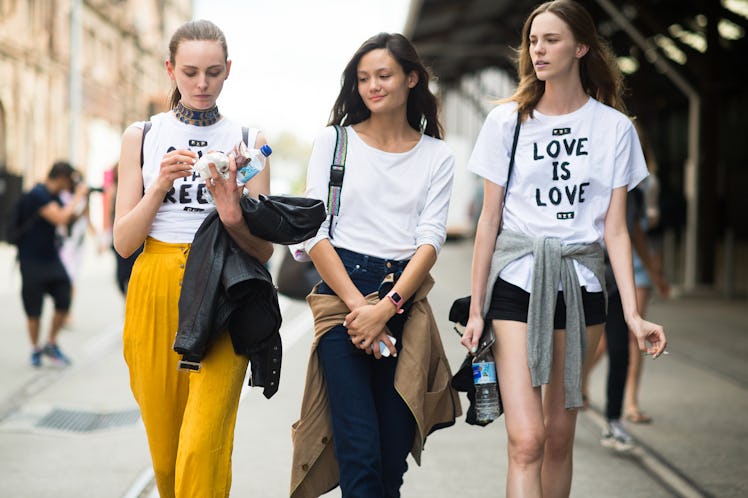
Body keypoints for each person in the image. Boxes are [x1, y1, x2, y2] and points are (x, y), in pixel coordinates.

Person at [460, 1, 667, 497]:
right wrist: (475, 307)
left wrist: (634, 315)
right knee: (527, 439)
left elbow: (615, 230)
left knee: (557, 438)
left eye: (551, 39)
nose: (538, 49)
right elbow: (488, 221)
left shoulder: (614, 128)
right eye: (533, 40)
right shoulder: (506, 123)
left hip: (582, 286)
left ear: (580, 47)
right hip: (517, 283)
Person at [290, 33, 460, 498]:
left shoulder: (437, 155)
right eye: (363, 78)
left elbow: (431, 239)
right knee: (358, 453)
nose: (372, 86)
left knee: (390, 459)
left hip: (403, 297)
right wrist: (359, 309)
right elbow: (312, 230)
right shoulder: (335, 142)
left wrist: (385, 308)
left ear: (411, 79)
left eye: (383, 76)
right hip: (341, 296)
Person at [113, 20, 273, 498]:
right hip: (156, 289)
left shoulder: (249, 139)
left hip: (226, 290)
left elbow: (263, 252)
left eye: (213, 72)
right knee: (166, 458)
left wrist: (232, 209)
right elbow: (124, 242)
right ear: (170, 70)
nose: (201, 84)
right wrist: (159, 185)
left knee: (201, 447)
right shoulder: (141, 135)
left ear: (228, 72)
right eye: (189, 72)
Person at [15, 160, 89, 367]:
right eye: (70, 180)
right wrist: (78, 197)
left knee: (64, 297)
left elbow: (68, 220)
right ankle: (35, 349)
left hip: (51, 258)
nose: (72, 185)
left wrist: (83, 205)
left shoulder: (53, 196)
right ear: (62, 177)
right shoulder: (37, 195)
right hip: (31, 260)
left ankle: (51, 342)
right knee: (34, 310)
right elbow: (59, 218)